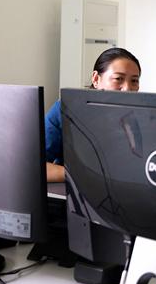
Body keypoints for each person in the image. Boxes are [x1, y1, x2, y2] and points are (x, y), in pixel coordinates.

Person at [45, 47, 141, 183]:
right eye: (118, 78)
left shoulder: (139, 117)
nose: (127, 88)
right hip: (77, 192)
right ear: (96, 79)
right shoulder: (66, 110)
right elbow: (32, 166)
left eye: (134, 81)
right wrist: (84, 174)